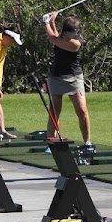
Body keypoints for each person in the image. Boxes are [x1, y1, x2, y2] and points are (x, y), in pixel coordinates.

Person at [42, 11, 93, 153]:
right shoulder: (63, 37)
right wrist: (52, 21)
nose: (75, 34)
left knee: (82, 111)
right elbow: (57, 37)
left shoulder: (76, 43)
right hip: (56, 76)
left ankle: (87, 143)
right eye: (73, 32)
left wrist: (46, 22)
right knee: (55, 110)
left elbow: (53, 39)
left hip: (73, 78)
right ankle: (50, 142)